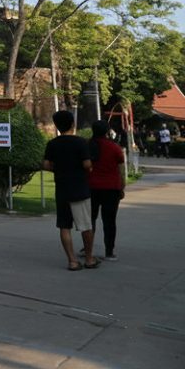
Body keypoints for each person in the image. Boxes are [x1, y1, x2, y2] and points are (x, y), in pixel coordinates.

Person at [42, 110, 98, 270]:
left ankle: (72, 260)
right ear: (73, 124)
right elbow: (87, 164)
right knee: (85, 225)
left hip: (62, 187)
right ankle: (89, 258)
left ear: (56, 126)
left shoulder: (52, 144)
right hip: (79, 187)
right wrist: (88, 168)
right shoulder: (80, 142)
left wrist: (59, 169)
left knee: (64, 226)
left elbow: (46, 165)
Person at [87, 120, 125, 261]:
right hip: (111, 188)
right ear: (107, 131)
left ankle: (88, 248)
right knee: (109, 221)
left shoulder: (88, 146)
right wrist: (122, 186)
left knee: (90, 219)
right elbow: (121, 169)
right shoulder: (114, 147)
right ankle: (109, 251)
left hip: (91, 187)